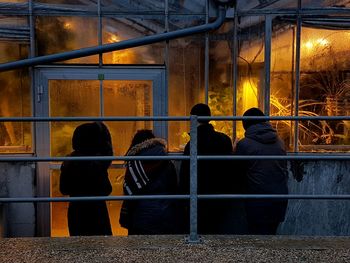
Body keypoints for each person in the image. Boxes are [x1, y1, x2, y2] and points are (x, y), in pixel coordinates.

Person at [179, 103, 247, 234]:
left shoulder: (192, 143)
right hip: (220, 194)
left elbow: (185, 174)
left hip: (199, 196)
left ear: (192, 118)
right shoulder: (224, 139)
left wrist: (183, 199)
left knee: (201, 231)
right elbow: (229, 167)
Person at [235, 107, 288, 235]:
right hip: (279, 197)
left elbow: (238, 171)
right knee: (270, 234)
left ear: (245, 125)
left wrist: (234, 150)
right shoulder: (280, 142)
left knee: (257, 235)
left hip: (257, 198)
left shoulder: (244, 144)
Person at [119, 129, 180, 235]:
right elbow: (173, 186)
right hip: (167, 214)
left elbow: (129, 193)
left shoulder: (135, 162)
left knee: (141, 249)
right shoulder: (167, 160)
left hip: (142, 217)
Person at [60, 122, 113, 236]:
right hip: (97, 211)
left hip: (76, 211)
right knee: (100, 248)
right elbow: (106, 189)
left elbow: (63, 188)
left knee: (80, 247)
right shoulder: (96, 162)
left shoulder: (69, 161)